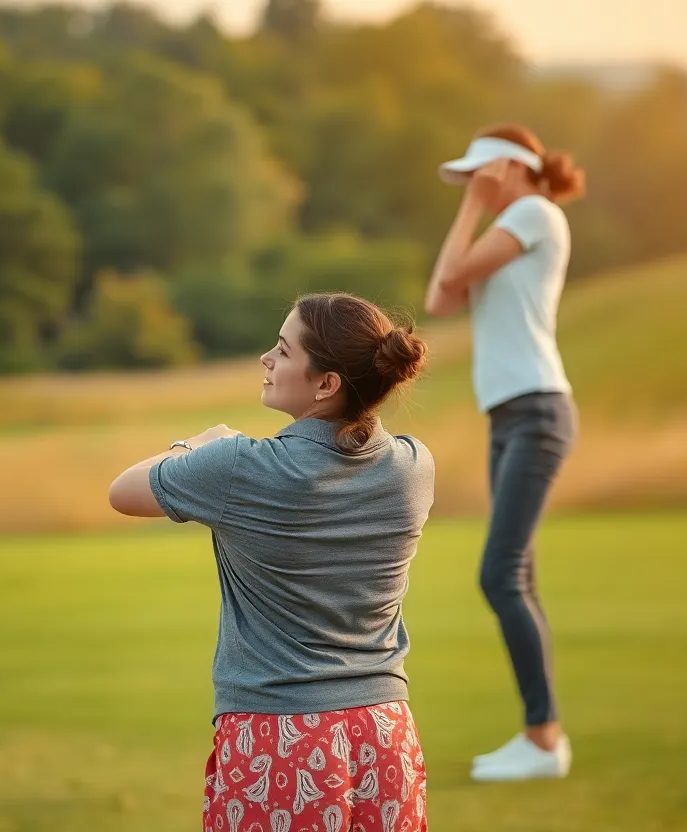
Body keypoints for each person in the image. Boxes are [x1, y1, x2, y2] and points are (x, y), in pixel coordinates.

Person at [109, 292, 436, 831]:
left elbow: (123, 492)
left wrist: (197, 444)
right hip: (385, 733)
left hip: (278, 737)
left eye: (283, 352)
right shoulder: (414, 466)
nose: (266, 358)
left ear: (326, 383)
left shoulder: (238, 468)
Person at [423, 124, 585, 781]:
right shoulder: (506, 227)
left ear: (511, 169)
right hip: (510, 415)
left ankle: (542, 739)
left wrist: (470, 204)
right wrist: (472, 204)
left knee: (498, 574)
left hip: (537, 409)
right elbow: (439, 298)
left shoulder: (533, 211)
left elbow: (453, 273)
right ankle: (545, 737)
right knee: (517, 578)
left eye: (480, 176)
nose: (473, 187)